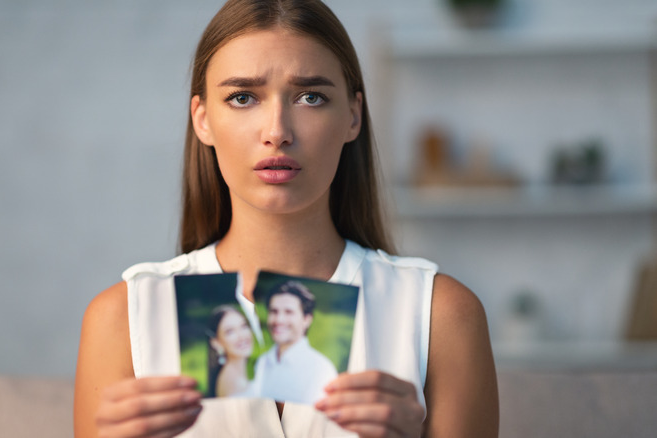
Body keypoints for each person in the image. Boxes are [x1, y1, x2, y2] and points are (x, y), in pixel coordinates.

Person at [74, 0, 499, 437]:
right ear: (203, 120)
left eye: (311, 97)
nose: (277, 131)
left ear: (353, 116)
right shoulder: (122, 318)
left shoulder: (442, 315)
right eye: (242, 97)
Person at [252, 281, 338, 404]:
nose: (279, 320)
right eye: (274, 311)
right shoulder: (262, 362)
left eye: (289, 312)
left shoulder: (321, 369)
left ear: (306, 319)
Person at [207, 305, 254, 397]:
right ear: (216, 343)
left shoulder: (232, 375)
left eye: (243, 326)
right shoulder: (234, 383)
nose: (242, 336)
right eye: (230, 332)